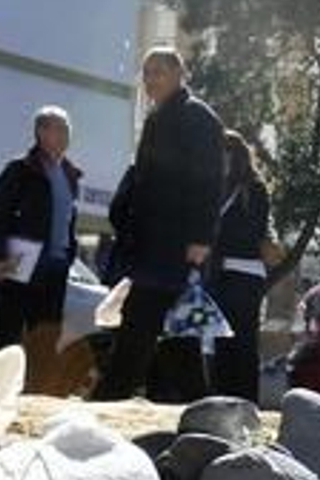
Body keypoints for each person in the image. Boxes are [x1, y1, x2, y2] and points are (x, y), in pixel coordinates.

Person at [94, 46, 224, 403]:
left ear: (178, 74)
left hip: (178, 243)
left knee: (141, 321)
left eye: (158, 72)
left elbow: (209, 181)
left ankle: (110, 396)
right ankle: (199, 402)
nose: (150, 81)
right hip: (151, 242)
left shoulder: (198, 118)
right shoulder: (156, 118)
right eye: (146, 73)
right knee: (178, 333)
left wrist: (200, 237)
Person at [0, 105, 81, 364]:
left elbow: (69, 219)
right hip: (21, 260)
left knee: (46, 335)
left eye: (67, 129)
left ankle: (37, 395)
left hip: (57, 266)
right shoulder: (21, 170)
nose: (65, 135)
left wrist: (70, 253)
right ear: (41, 132)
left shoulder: (70, 174)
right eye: (59, 129)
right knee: (9, 332)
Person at [209, 130, 272, 403]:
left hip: (245, 274)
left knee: (243, 342)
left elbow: (251, 234)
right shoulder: (220, 190)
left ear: (232, 155)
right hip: (224, 274)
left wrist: (218, 243)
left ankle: (246, 401)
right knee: (224, 341)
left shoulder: (254, 189)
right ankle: (224, 399)